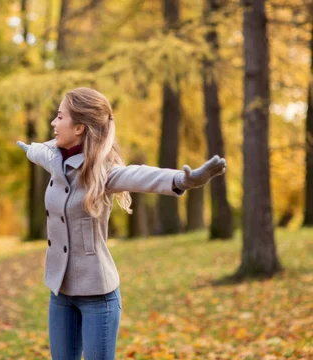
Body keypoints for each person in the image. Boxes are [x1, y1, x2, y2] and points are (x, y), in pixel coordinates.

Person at [17, 87, 226, 360]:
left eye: (60, 117)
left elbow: (140, 175)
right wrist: (29, 149)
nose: (53, 124)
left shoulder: (103, 172)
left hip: (97, 296)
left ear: (79, 127)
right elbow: (40, 151)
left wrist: (183, 180)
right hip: (61, 292)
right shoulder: (53, 159)